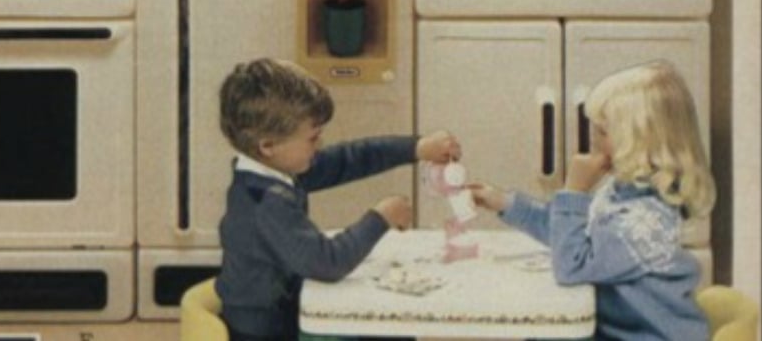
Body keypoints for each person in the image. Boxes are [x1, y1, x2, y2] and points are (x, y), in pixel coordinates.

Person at [215, 57, 462, 341]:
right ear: (268, 146)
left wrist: (416, 148)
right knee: (386, 331)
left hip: (278, 318)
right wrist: (381, 218)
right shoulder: (265, 202)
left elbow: (349, 159)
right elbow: (328, 263)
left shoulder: (270, 171)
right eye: (312, 138)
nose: (319, 145)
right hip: (270, 333)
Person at [469, 60, 716, 341]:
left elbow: (572, 266)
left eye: (603, 131)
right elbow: (570, 236)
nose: (593, 140)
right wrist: (505, 202)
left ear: (640, 140)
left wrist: (575, 190)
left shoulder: (645, 220)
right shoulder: (624, 190)